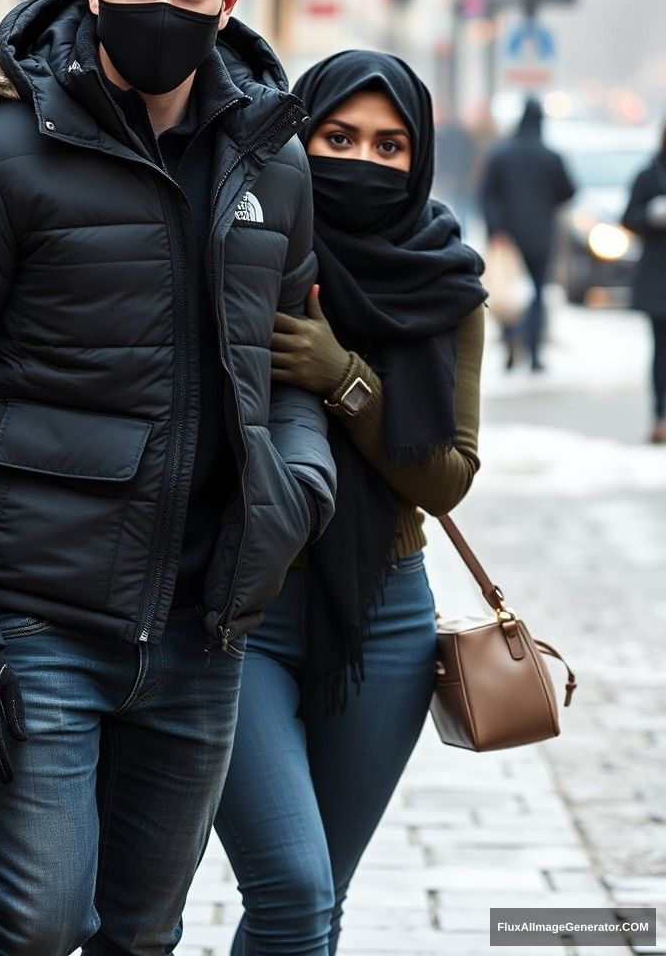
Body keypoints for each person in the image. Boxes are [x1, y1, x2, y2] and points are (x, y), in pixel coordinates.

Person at [0, 0, 336, 956]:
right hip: (38, 615)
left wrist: (294, 487)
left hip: (202, 624)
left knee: (142, 931)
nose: (157, 8)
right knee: (39, 920)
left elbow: (293, 366)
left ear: (227, 3)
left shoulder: (272, 162)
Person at [212, 51, 487, 956]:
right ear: (298, 136)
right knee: (292, 886)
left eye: (389, 144)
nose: (362, 160)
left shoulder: (445, 280)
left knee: (316, 906)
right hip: (238, 605)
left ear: (420, 158)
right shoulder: (243, 237)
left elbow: (445, 476)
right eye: (337, 137)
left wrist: (346, 381)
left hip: (385, 614)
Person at [479, 97, 576, 371]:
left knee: (507, 293)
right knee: (535, 294)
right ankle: (533, 353)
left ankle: (512, 338)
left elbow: (486, 194)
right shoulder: (550, 156)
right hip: (540, 236)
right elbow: (569, 190)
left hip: (506, 238)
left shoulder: (500, 153)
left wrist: (496, 228)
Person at [622, 126, 666, 443]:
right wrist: (651, 215)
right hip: (658, 277)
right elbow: (629, 217)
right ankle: (661, 415)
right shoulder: (650, 174)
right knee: (661, 351)